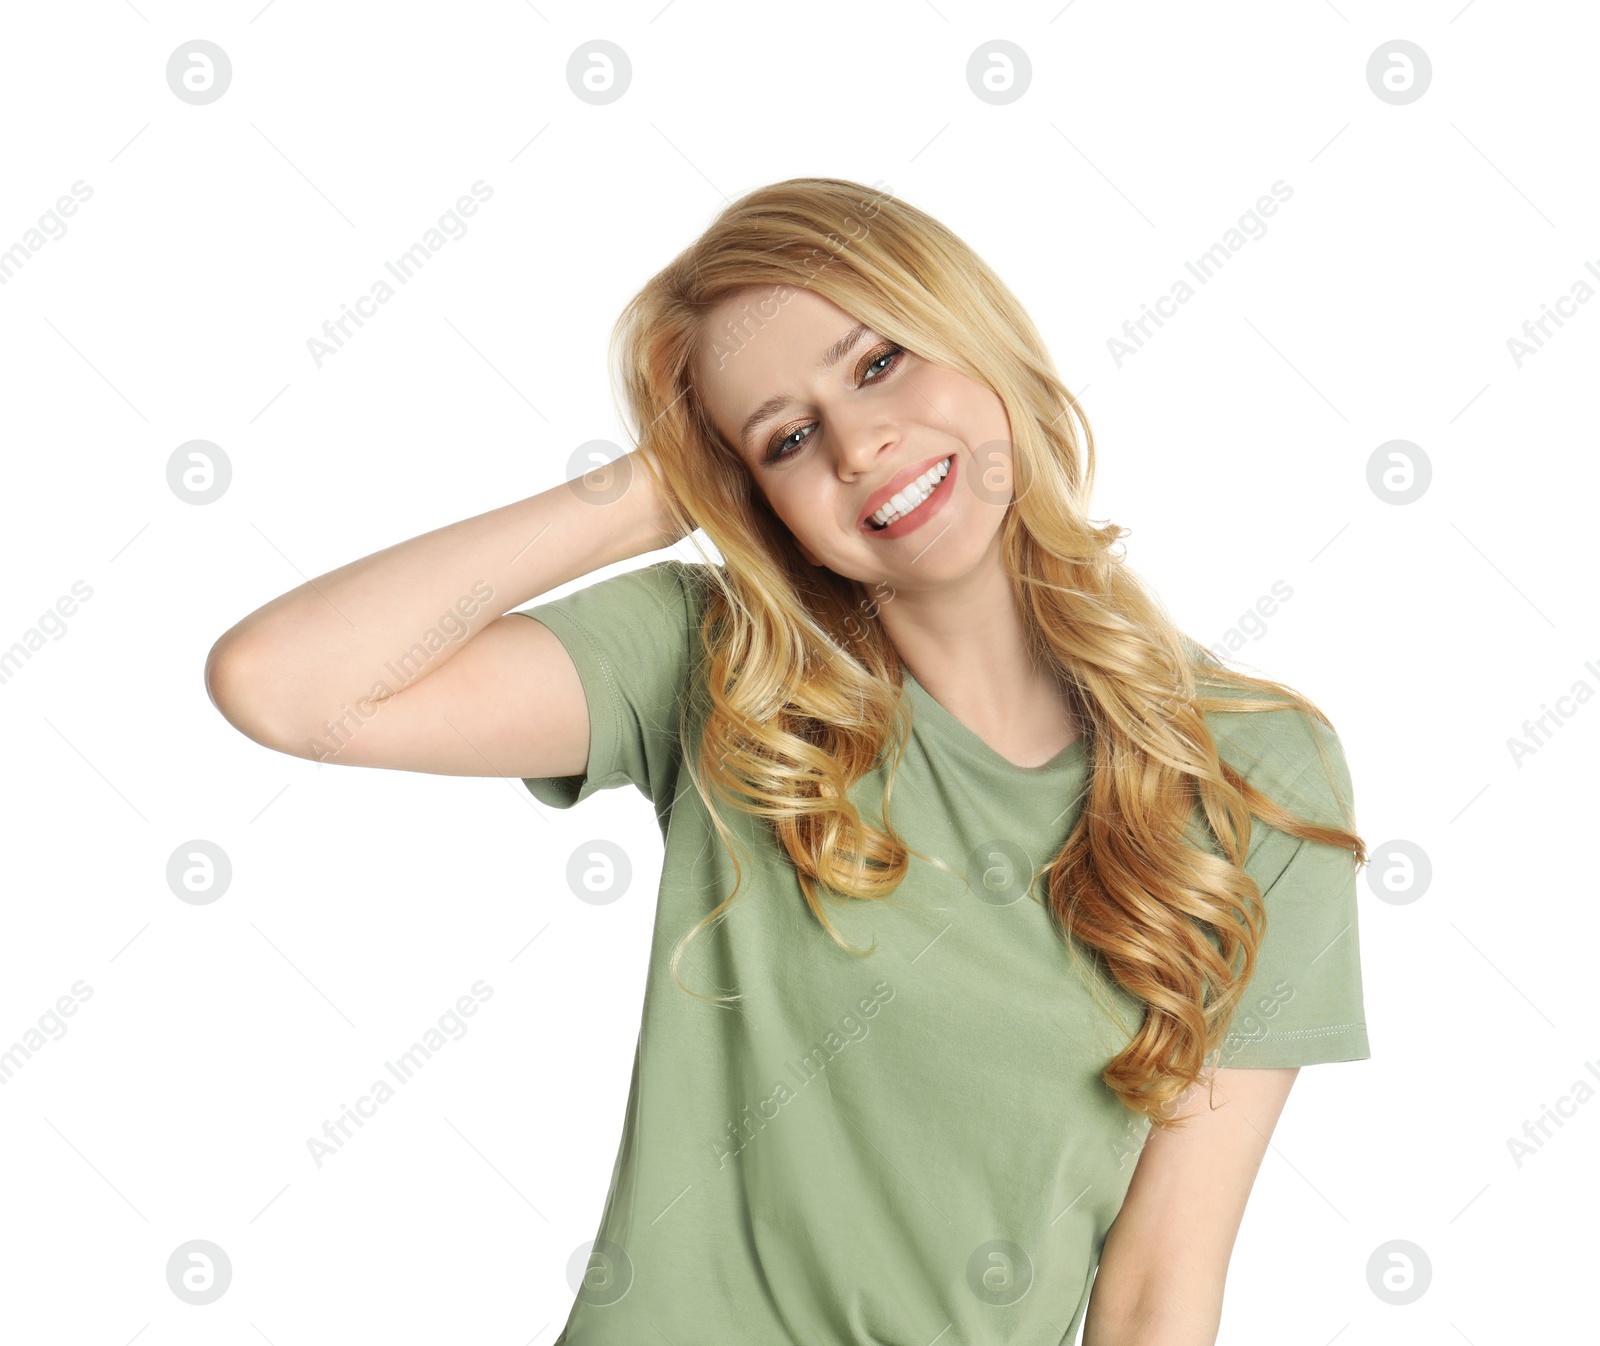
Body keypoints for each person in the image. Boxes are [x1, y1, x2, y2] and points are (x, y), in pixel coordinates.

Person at [205, 177, 1370, 1346]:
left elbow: (1157, 1288)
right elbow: (284, 683)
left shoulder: (1257, 771)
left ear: (980, 337)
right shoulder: (715, 664)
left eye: (879, 363)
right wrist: (655, 491)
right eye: (788, 437)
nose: (862, 444)